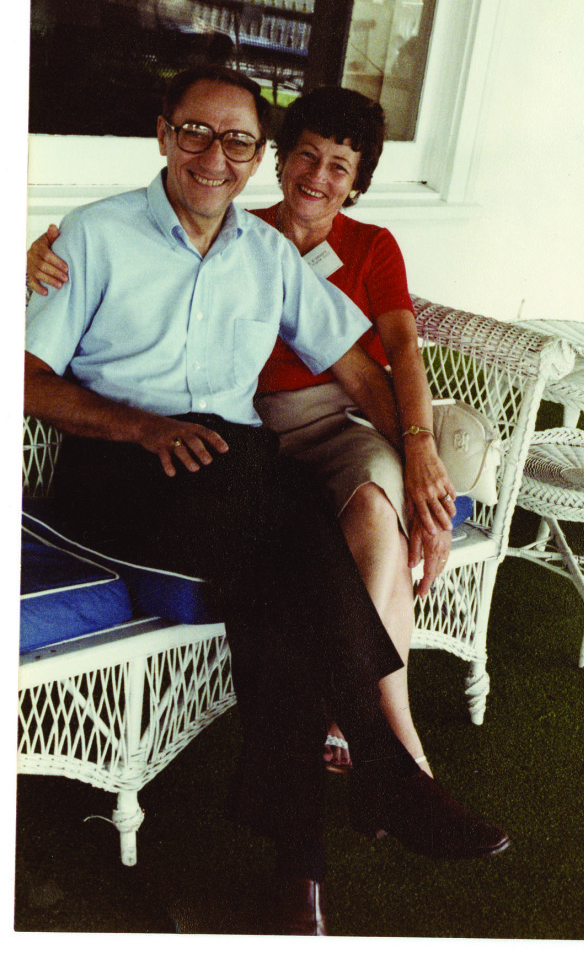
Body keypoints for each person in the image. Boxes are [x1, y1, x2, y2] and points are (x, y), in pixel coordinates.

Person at [23, 66, 509, 936]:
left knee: (284, 589)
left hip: (230, 464)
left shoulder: (266, 253)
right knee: (292, 544)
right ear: (163, 133)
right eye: (196, 132)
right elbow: (24, 379)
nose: (215, 155)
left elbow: (358, 366)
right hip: (118, 461)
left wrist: (419, 464)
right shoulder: (94, 235)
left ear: (255, 158)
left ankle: (302, 868)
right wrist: (140, 427)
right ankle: (386, 770)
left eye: (237, 140)